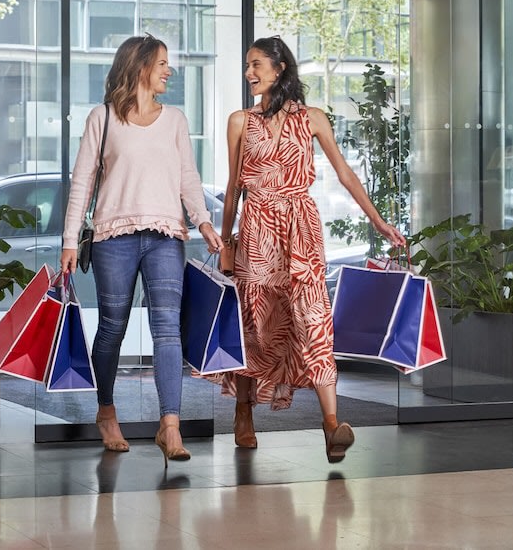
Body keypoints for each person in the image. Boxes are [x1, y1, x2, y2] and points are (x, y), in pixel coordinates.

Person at [212, 36, 406, 463]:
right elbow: (232, 190)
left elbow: (346, 175)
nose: (249, 73)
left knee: (314, 322)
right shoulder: (240, 121)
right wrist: (226, 243)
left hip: (301, 232)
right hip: (258, 231)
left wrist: (380, 223)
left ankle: (331, 425)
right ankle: (244, 411)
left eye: (257, 64)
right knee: (255, 326)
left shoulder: (312, 118)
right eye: (247, 65)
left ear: (280, 68)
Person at [61, 33, 224, 466]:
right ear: (139, 67)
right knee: (112, 327)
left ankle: (170, 425)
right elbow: (82, 183)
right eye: (162, 63)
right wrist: (68, 240)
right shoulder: (104, 118)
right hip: (113, 237)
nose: (169, 70)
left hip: (167, 236)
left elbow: (188, 179)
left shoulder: (175, 120)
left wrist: (204, 222)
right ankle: (107, 410)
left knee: (167, 329)